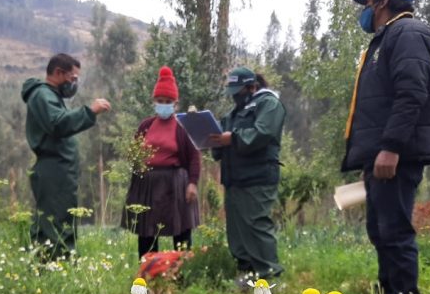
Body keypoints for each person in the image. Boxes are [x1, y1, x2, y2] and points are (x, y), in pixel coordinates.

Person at [343, 0, 430, 294]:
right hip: (382, 153)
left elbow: (411, 94)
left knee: (395, 229)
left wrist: (390, 148)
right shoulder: (387, 38)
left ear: (382, 1)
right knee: (380, 229)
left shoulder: (408, 33)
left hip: (396, 153)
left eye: (368, 3)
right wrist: (371, 155)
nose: (365, 11)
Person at [21, 53, 111, 259]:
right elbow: (58, 124)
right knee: (57, 223)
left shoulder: (52, 96)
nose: (74, 83)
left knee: (55, 221)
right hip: (53, 171)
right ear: (58, 73)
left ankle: (45, 264)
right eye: (73, 78)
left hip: (61, 171)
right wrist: (90, 112)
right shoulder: (42, 95)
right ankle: (59, 264)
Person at [211, 67, 286, 281]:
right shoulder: (232, 114)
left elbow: (263, 133)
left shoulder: (269, 104)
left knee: (256, 224)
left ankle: (268, 274)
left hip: (258, 176)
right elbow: (220, 144)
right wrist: (211, 140)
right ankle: (246, 271)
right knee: (236, 228)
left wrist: (232, 138)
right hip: (234, 178)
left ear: (252, 87)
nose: (235, 96)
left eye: (238, 91)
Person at [122, 66, 201, 259]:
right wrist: (135, 165)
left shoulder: (183, 126)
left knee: (181, 232)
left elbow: (194, 156)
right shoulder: (146, 125)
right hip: (149, 185)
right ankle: (147, 269)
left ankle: (182, 269)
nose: (163, 105)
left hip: (176, 183)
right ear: (154, 101)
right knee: (147, 232)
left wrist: (192, 183)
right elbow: (134, 153)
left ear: (175, 104)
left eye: (168, 102)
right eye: (160, 101)